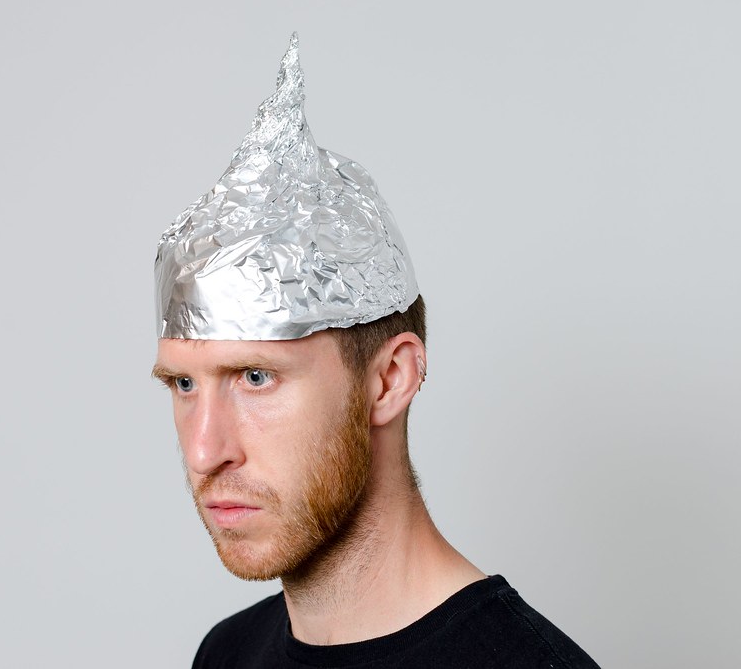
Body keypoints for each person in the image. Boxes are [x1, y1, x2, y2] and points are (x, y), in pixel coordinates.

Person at [152, 34, 600, 669]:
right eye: (184, 384)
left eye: (255, 377)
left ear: (390, 379)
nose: (204, 451)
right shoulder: (228, 654)